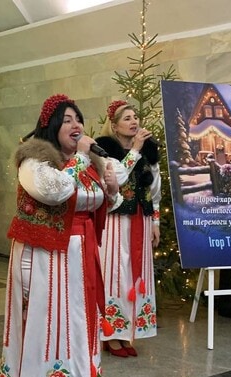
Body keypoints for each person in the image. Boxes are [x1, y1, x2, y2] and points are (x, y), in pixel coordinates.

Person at [0, 94, 122, 377]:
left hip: (81, 256)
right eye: (67, 120)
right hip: (48, 258)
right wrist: (82, 159)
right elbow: (54, 191)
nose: (76, 125)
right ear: (52, 127)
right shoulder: (35, 160)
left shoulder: (85, 163)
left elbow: (97, 200)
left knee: (81, 330)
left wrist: (110, 192)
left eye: (78, 118)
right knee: (53, 329)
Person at [95, 100, 160, 358]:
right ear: (114, 125)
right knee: (115, 273)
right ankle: (110, 333)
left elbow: (154, 190)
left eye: (136, 117)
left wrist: (155, 221)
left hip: (140, 219)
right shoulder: (104, 150)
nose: (134, 122)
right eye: (127, 118)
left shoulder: (147, 151)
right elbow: (117, 178)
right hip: (115, 220)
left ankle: (127, 331)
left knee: (136, 274)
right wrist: (134, 150)